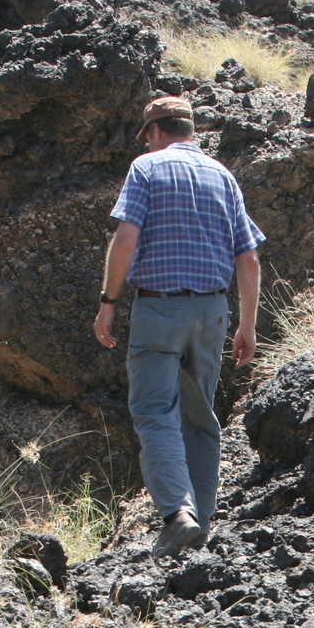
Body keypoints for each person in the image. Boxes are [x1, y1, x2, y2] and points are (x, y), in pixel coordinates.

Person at [93, 95, 264, 558]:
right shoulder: (223, 176)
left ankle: (177, 515)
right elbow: (247, 257)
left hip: (159, 310)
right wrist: (247, 325)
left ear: (154, 132)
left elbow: (126, 239)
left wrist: (109, 301)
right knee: (200, 420)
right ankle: (199, 531)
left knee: (154, 413)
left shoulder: (145, 169)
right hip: (213, 313)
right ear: (191, 129)